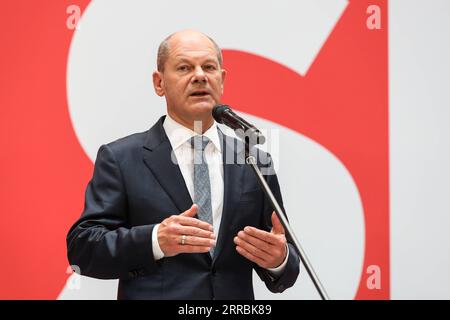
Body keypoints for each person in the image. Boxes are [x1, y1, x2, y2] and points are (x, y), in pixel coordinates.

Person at [66, 30, 300, 300]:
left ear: (221, 80)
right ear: (159, 83)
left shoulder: (253, 161)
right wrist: (155, 240)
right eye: (184, 67)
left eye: (209, 67)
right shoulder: (121, 158)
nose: (200, 75)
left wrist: (279, 259)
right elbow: (83, 248)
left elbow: (288, 264)